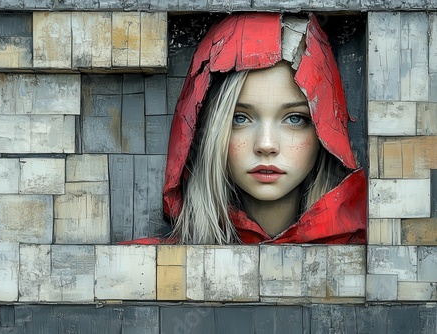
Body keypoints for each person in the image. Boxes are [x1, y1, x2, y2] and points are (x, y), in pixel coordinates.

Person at [132, 12, 366, 245]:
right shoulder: (142, 266)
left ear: (324, 133)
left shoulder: (376, 258)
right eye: (240, 118)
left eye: (295, 118)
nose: (266, 145)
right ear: (210, 128)